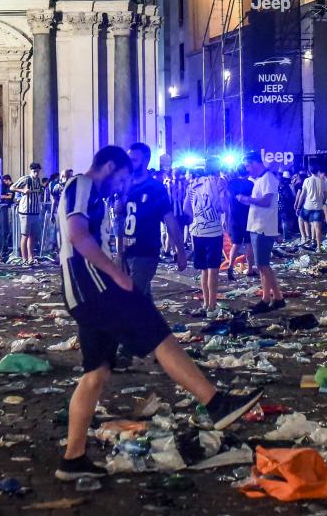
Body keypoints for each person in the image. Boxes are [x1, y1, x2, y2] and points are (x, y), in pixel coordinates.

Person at [54, 145, 263, 483]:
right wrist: (117, 272)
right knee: (160, 334)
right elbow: (77, 234)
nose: (121, 186)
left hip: (84, 292)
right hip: (94, 286)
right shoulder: (83, 184)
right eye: (121, 178)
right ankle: (215, 403)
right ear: (108, 167)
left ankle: (73, 458)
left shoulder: (90, 192)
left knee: (97, 371)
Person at [119, 143, 184, 300]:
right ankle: (152, 324)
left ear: (146, 160)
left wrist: (180, 251)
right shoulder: (126, 185)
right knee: (142, 299)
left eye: (134, 160)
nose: (130, 164)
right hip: (127, 252)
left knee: (131, 299)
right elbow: (121, 220)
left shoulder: (155, 188)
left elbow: (169, 220)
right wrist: (119, 251)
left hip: (145, 252)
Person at [238, 152, 286, 312]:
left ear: (255, 163)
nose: (247, 169)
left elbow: (266, 201)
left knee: (263, 265)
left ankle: (267, 299)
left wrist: (246, 199)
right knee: (262, 265)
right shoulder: (260, 179)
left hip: (263, 227)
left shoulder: (268, 178)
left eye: (247, 165)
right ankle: (276, 298)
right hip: (256, 226)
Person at [184, 167, 227, 317]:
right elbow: (224, 206)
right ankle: (212, 306)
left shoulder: (192, 185)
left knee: (203, 270)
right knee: (213, 270)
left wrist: (197, 219)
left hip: (198, 231)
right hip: (214, 232)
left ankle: (205, 303)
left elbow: (186, 208)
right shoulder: (219, 183)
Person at [225, 165, 254, 282]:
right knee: (248, 243)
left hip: (234, 216)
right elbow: (252, 200)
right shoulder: (251, 184)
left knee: (236, 244)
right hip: (247, 216)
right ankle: (250, 269)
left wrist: (226, 218)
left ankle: (230, 267)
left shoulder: (231, 183)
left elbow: (227, 199)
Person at [14, 162, 45, 266]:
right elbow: (12, 187)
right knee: (25, 235)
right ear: (31, 171)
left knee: (32, 235)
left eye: (37, 171)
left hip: (35, 211)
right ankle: (24, 259)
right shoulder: (26, 179)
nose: (36, 173)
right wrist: (22, 190)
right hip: (25, 211)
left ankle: (31, 257)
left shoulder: (38, 180)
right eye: (34, 171)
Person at [298, 162, 327, 251]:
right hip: (318, 207)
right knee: (317, 227)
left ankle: (304, 237)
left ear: (309, 171)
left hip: (308, 206)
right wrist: (323, 202)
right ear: (318, 171)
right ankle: (318, 247)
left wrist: (298, 206)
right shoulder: (322, 181)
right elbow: (325, 194)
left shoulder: (307, 180)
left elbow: (303, 194)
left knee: (301, 218)